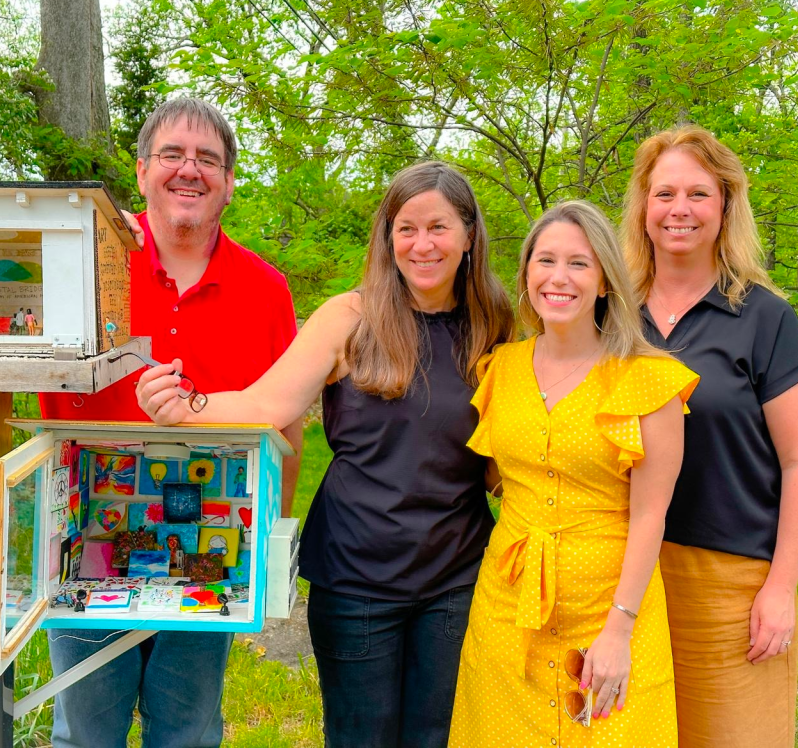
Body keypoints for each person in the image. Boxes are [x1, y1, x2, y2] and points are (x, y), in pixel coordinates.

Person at [137, 161, 514, 747]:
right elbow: (268, 402)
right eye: (405, 228)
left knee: (440, 737)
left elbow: (506, 452)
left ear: (469, 234)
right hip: (356, 576)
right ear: (388, 238)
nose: (422, 244)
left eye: (438, 227)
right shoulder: (351, 318)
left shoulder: (496, 325)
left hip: (456, 578)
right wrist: (187, 407)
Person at [38, 97, 303, 748]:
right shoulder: (85, 260)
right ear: (141, 170)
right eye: (173, 155)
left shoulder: (265, 290)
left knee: (186, 733)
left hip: (210, 553)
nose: (190, 170)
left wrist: (269, 553)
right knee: (86, 736)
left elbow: (288, 432)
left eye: (208, 159)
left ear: (229, 182)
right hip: (85, 547)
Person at [449, 201, 698, 748]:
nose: (559, 278)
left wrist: (619, 629)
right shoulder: (501, 369)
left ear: (606, 280)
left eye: (579, 264)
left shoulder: (646, 381)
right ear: (526, 275)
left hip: (608, 609)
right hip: (509, 608)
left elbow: (651, 513)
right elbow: (500, 478)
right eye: (545, 261)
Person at [620, 125, 798, 747]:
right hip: (623, 576)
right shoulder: (610, 315)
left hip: (730, 581)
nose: (679, 210)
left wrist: (780, 587)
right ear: (643, 208)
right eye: (664, 194)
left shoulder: (765, 318)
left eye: (698, 194)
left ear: (726, 205)